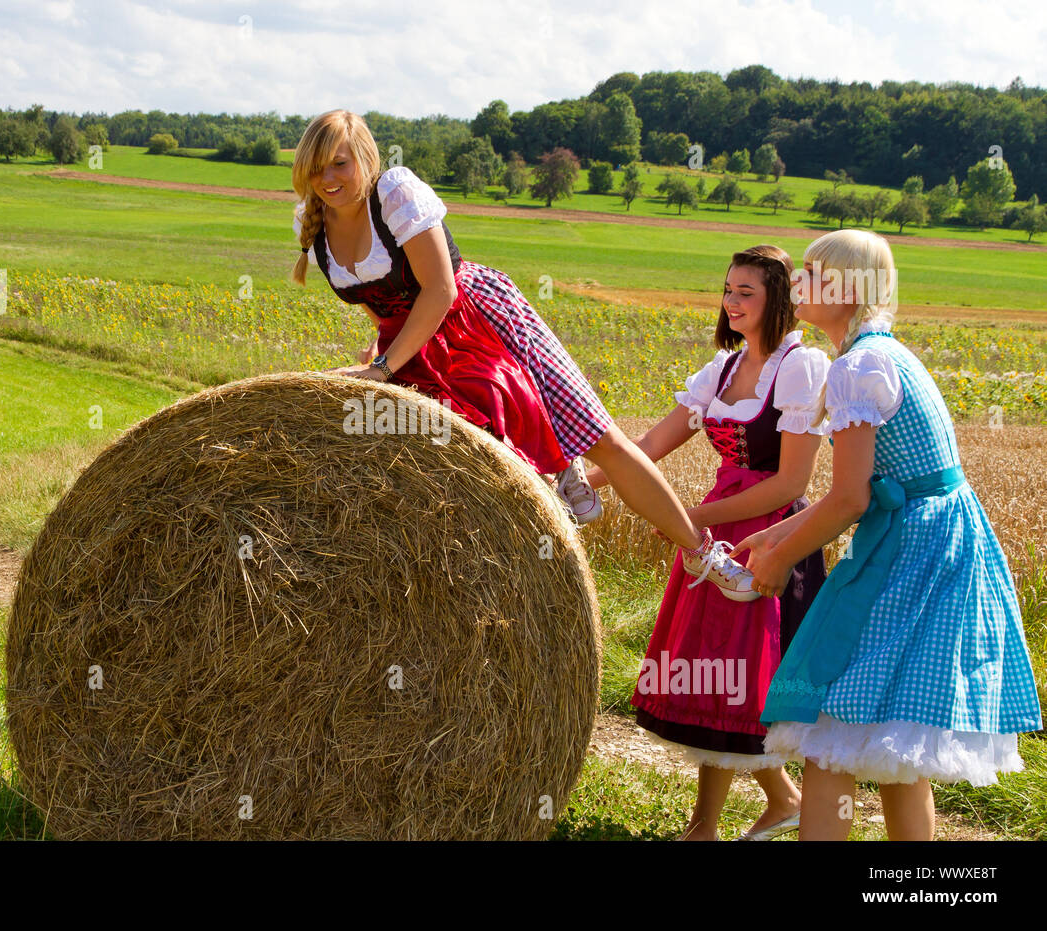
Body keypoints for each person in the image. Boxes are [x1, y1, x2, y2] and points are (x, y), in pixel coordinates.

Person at [291, 110, 755, 592]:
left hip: (479, 320)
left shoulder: (395, 194)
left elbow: (440, 291)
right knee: (458, 465)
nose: (327, 179)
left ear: (365, 158)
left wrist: (386, 367)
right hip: (413, 344)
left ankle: (702, 553)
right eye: (316, 168)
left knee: (605, 441)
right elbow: (379, 302)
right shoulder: (311, 220)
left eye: (339, 164)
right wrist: (380, 350)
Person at [733, 229, 1042, 841]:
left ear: (848, 288)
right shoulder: (885, 353)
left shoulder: (857, 366)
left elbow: (850, 499)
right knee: (899, 745)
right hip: (938, 544)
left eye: (814, 276)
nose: (799, 286)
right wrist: (772, 538)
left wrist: (779, 560)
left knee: (828, 727)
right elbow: (866, 492)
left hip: (914, 552)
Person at [616, 245, 829, 841]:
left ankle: (708, 826)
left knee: (742, 679)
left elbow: (792, 483)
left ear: (777, 299)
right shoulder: (723, 370)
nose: (731, 303)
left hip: (769, 534)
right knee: (714, 675)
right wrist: (578, 476)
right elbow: (649, 445)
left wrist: (692, 515)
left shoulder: (801, 367)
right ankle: (742, 813)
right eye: (728, 290)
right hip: (712, 535)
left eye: (746, 293)